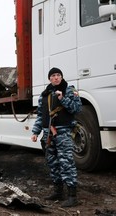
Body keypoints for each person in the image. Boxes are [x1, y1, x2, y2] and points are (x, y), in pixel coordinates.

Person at [31, 67, 82, 208]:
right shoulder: (44, 94)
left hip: (64, 132)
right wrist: (35, 132)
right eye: (53, 75)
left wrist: (63, 99)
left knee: (66, 163)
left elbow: (77, 109)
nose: (56, 77)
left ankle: (72, 196)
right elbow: (41, 116)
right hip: (48, 133)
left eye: (58, 75)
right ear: (49, 78)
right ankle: (58, 192)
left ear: (61, 77)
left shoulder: (70, 91)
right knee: (53, 163)